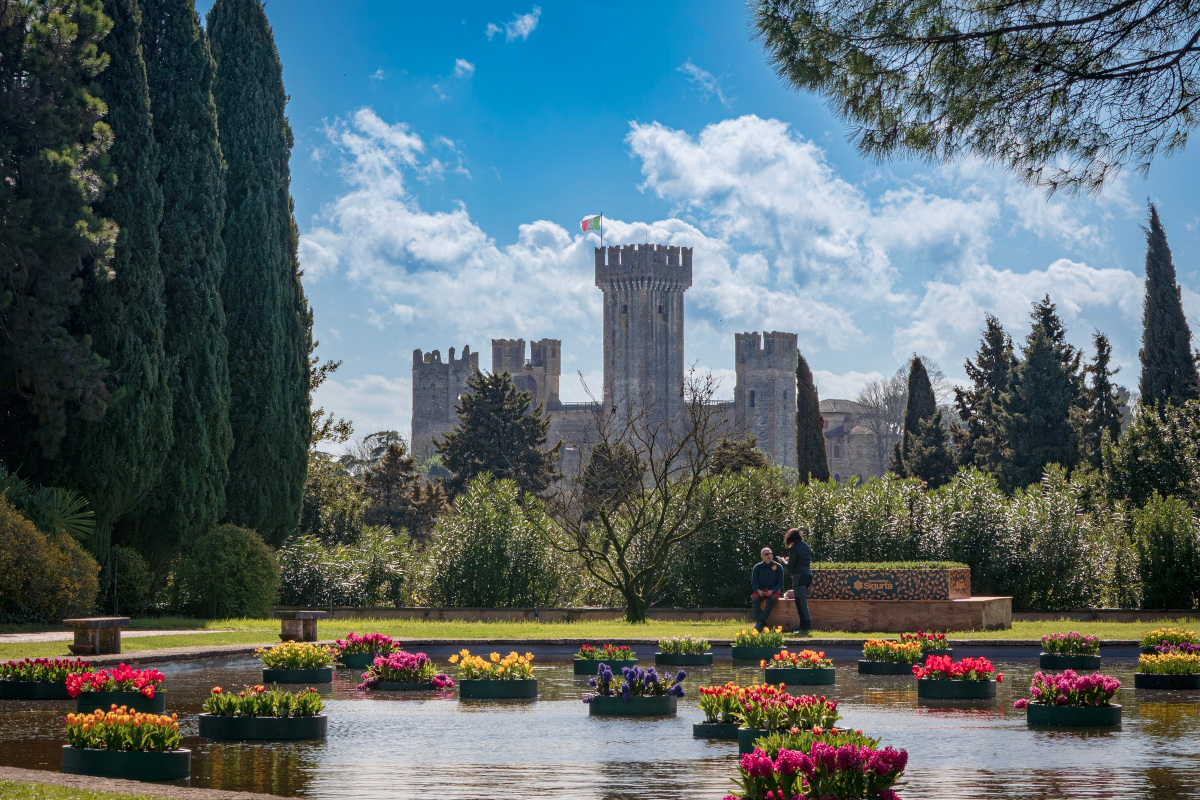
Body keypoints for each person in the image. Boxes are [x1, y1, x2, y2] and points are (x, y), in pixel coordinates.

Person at [777, 528, 813, 634]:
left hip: (799, 576)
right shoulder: (805, 546)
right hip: (808, 575)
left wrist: (782, 561)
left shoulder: (794, 548)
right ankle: (803, 625)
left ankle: (805, 626)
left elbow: (790, 567)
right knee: (801, 601)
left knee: (800, 602)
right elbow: (800, 561)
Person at [751, 547, 784, 631]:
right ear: (762, 556)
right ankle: (761, 623)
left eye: (770, 553)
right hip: (760, 590)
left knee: (772, 599)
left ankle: (760, 622)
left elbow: (780, 583)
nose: (769, 555)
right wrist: (758, 591)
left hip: (773, 590)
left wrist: (772, 591)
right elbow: (754, 583)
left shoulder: (778, 566)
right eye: (766, 554)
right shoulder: (757, 567)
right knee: (754, 599)